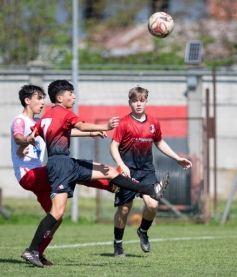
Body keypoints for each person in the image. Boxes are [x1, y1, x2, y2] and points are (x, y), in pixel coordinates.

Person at [20, 80, 169, 268]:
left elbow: (38, 134)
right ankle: (32, 250)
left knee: (108, 171)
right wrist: (104, 127)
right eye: (70, 93)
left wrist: (26, 144)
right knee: (57, 213)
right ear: (60, 97)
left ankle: (150, 190)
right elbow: (80, 126)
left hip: (66, 162)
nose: (73, 97)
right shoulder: (64, 113)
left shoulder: (45, 118)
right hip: (60, 166)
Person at [11, 84, 119, 265]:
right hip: (29, 174)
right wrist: (26, 140)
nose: (42, 102)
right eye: (38, 98)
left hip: (39, 175)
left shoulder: (41, 121)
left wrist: (90, 133)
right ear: (27, 100)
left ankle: (36, 252)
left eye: (43, 98)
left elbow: (63, 129)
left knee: (56, 216)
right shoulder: (21, 120)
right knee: (70, 169)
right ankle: (113, 185)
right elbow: (18, 137)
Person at [110, 86, 192, 257]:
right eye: (134, 101)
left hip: (146, 171)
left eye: (141, 101)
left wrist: (177, 158)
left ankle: (143, 231)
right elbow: (113, 146)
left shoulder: (153, 123)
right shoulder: (124, 123)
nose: (138, 104)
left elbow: (159, 142)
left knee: (153, 204)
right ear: (129, 103)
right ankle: (118, 245)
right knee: (124, 210)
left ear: (146, 102)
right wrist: (121, 165)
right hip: (127, 172)